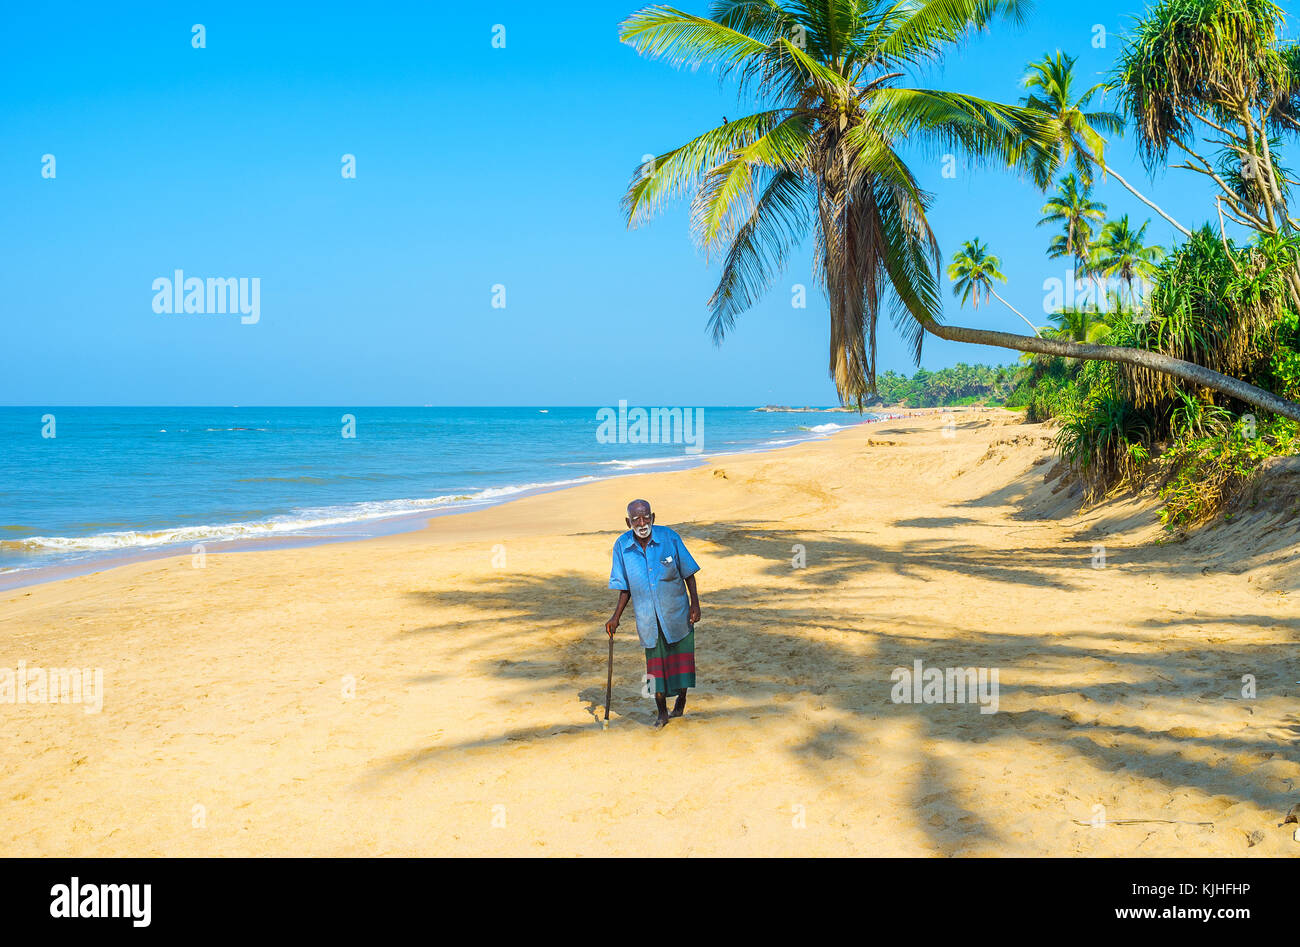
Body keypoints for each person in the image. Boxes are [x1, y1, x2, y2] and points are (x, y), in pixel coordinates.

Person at [606, 499, 701, 728]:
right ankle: (661, 712)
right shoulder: (622, 546)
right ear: (628, 522)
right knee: (654, 668)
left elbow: (688, 573)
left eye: (645, 517)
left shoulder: (670, 538)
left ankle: (682, 699)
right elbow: (625, 588)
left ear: (653, 517)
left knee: (681, 661)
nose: (641, 522)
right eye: (636, 519)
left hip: (676, 613)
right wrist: (615, 617)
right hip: (648, 619)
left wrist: (695, 604)